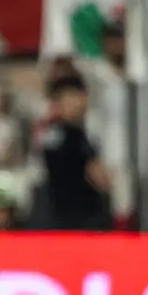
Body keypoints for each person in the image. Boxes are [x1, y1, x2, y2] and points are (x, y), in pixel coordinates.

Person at [38, 74, 112, 231]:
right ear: (57, 104)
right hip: (71, 223)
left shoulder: (81, 133)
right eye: (70, 98)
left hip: (76, 221)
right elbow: (99, 178)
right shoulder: (63, 135)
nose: (78, 103)